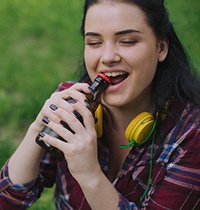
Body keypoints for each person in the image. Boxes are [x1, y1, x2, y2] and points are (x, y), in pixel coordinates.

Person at [0, 0, 200, 209]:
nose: (107, 57)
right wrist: (36, 130)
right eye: (94, 43)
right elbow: (7, 202)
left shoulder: (191, 137)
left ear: (161, 47)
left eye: (128, 41)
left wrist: (90, 176)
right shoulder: (72, 104)